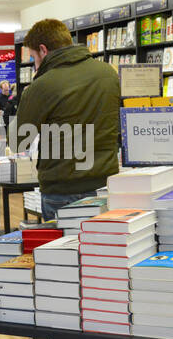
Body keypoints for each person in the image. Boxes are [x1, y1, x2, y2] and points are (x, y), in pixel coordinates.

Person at [15, 19, 120, 219]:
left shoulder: (42, 85)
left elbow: (19, 139)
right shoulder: (108, 73)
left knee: (63, 248)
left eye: (33, 57)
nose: (34, 64)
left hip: (62, 187)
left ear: (43, 50)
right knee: (101, 247)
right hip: (106, 183)